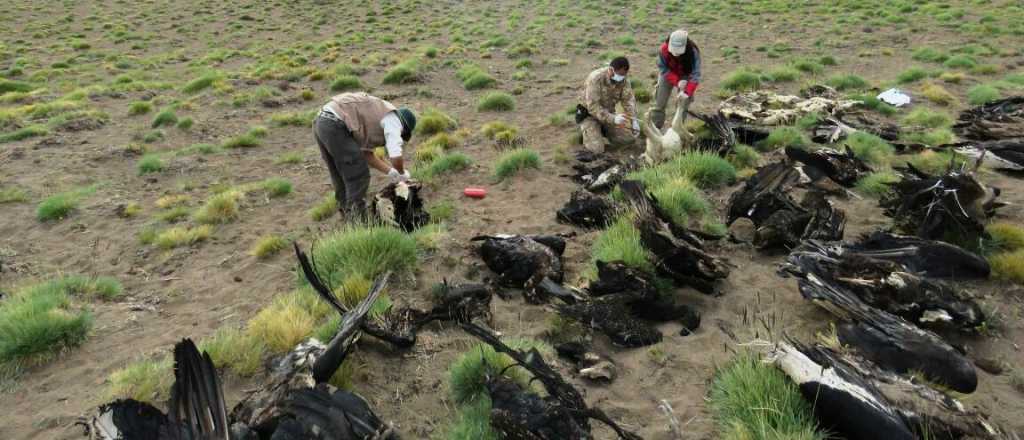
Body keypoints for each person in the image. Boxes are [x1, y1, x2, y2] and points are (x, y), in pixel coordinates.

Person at [313, 92, 416, 221]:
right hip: (335, 123)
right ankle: (358, 222)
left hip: (322, 122)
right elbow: (395, 154)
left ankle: (348, 218)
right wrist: (402, 174)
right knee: (359, 175)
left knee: (340, 177)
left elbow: (366, 154)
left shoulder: (374, 117)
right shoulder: (394, 120)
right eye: (402, 135)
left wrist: (392, 172)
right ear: (403, 128)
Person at [578, 56, 640, 154]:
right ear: (611, 69)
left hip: (608, 113)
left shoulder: (623, 80)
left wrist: (633, 120)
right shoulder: (596, 78)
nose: (621, 78)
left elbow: (628, 101)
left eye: (624, 75)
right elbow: (593, 107)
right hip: (590, 115)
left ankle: (601, 130)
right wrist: (613, 119)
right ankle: (588, 131)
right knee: (596, 150)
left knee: (628, 139)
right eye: (619, 75)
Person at [651, 29, 702, 129]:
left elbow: (695, 75)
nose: (675, 53)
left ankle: (677, 131)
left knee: (682, 105)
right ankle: (655, 128)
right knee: (659, 103)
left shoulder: (693, 52)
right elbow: (662, 68)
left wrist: (687, 92)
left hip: (687, 76)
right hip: (668, 73)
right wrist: (677, 81)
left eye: (679, 51)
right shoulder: (664, 50)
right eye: (673, 50)